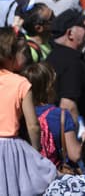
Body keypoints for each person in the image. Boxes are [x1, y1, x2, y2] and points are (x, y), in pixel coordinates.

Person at [0, 27, 57, 195]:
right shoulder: (21, 83)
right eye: (23, 52)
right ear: (10, 56)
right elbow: (33, 125)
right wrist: (35, 151)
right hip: (8, 148)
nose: (26, 57)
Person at [20, 62, 82, 165]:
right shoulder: (61, 115)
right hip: (53, 173)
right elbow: (74, 155)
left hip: (27, 171)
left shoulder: (19, 114)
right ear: (49, 87)